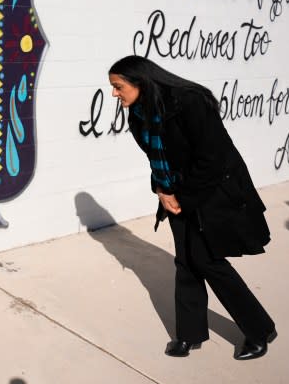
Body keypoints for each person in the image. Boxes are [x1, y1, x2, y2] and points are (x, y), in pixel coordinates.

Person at [108, 55, 275, 360]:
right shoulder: (138, 114)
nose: (114, 94)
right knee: (186, 260)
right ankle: (189, 334)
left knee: (207, 261)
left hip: (211, 191)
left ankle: (259, 329)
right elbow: (156, 157)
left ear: (140, 82)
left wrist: (180, 198)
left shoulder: (189, 102)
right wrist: (161, 190)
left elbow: (214, 158)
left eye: (118, 87)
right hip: (175, 193)